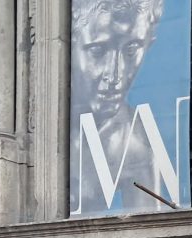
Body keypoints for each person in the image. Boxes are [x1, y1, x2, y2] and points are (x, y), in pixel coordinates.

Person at [69, 0, 166, 215]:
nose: (115, 75)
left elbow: (148, 227)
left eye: (131, 50)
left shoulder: (136, 146)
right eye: (97, 51)